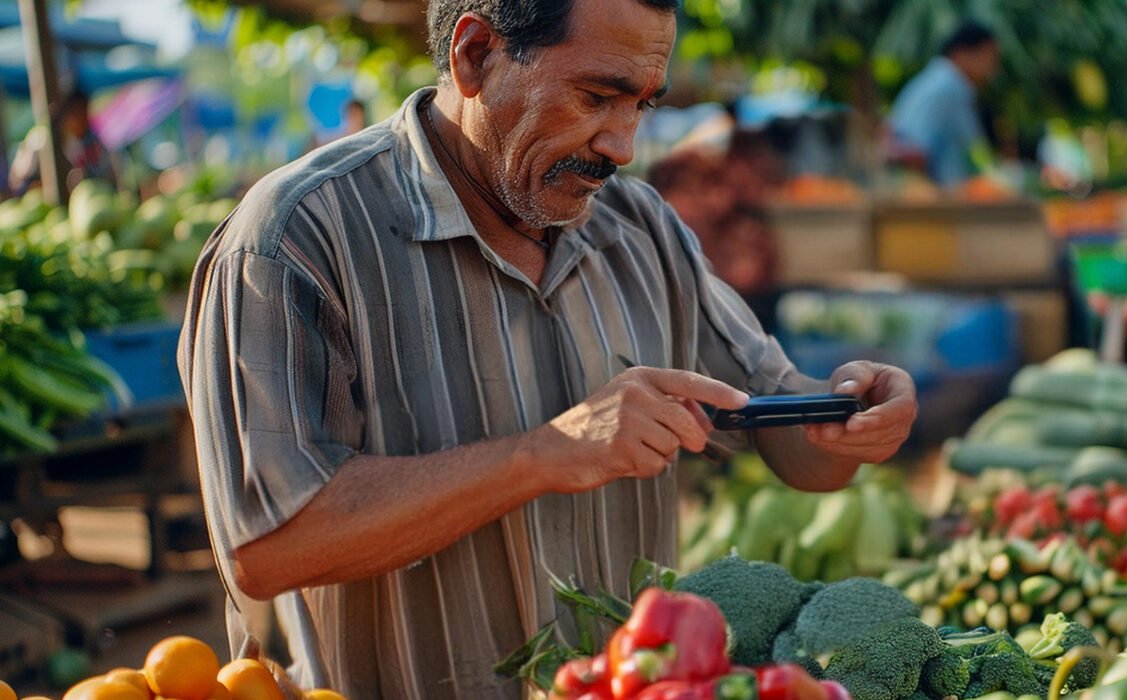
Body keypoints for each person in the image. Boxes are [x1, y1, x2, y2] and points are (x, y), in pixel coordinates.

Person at [176, 0, 918, 697]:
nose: (622, 146)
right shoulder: (292, 241)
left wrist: (846, 418)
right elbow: (269, 545)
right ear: (474, 54)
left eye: (642, 105)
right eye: (597, 97)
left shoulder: (638, 225)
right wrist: (543, 453)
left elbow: (789, 438)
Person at [888, 22, 1002, 188]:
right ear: (961, 53)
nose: (994, 68)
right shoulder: (951, 87)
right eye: (990, 57)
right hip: (935, 199)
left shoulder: (933, 80)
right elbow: (916, 152)